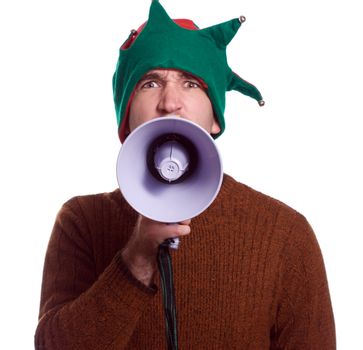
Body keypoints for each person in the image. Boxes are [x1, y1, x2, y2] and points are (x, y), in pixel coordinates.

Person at [35, 1, 335, 349]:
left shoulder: (284, 234)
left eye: (191, 83)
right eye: (150, 83)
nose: (170, 103)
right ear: (125, 116)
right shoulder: (82, 222)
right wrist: (137, 258)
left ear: (216, 117)